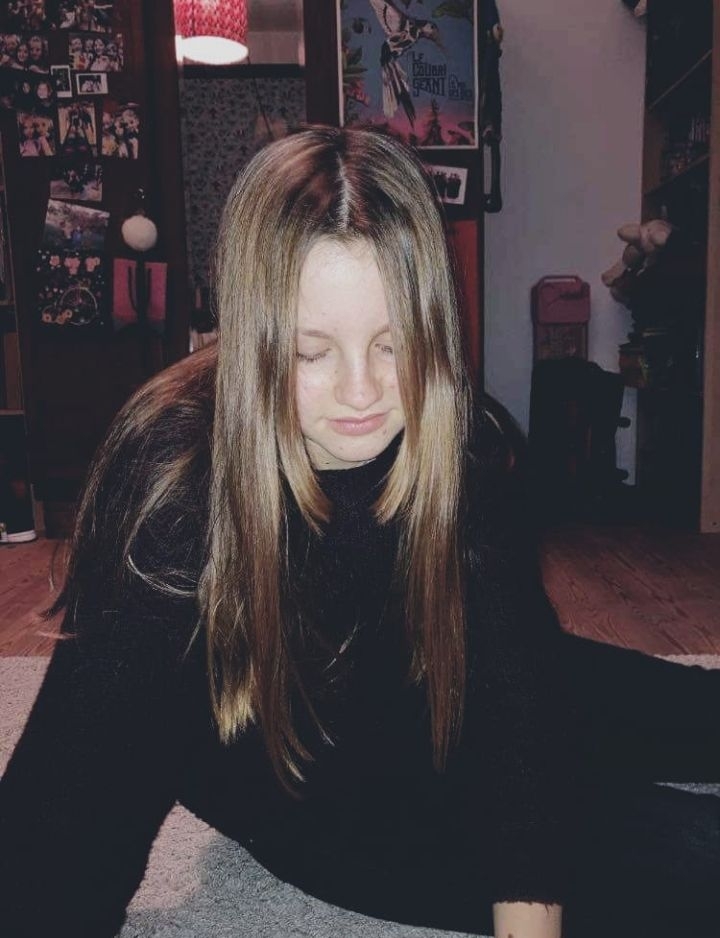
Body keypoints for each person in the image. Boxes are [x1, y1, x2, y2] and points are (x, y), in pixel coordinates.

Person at [0, 126, 717, 938]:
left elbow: (515, 701)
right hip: (312, 780)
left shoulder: (465, 436)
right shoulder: (173, 479)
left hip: (441, 671)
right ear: (250, 339)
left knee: (667, 705)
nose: (362, 393)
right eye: (311, 353)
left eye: (393, 343)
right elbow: (65, 820)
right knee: (698, 859)